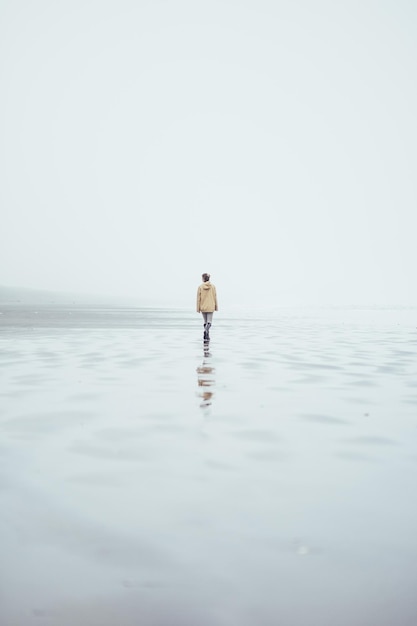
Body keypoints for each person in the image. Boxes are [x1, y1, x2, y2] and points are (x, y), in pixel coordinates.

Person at [196, 273, 218, 340]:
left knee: (205, 321)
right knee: (209, 322)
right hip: (211, 306)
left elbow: (198, 298)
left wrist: (198, 308)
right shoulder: (213, 286)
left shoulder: (200, 287)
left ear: (203, 279)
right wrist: (216, 306)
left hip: (203, 306)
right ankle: (207, 331)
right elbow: (215, 297)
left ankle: (206, 333)